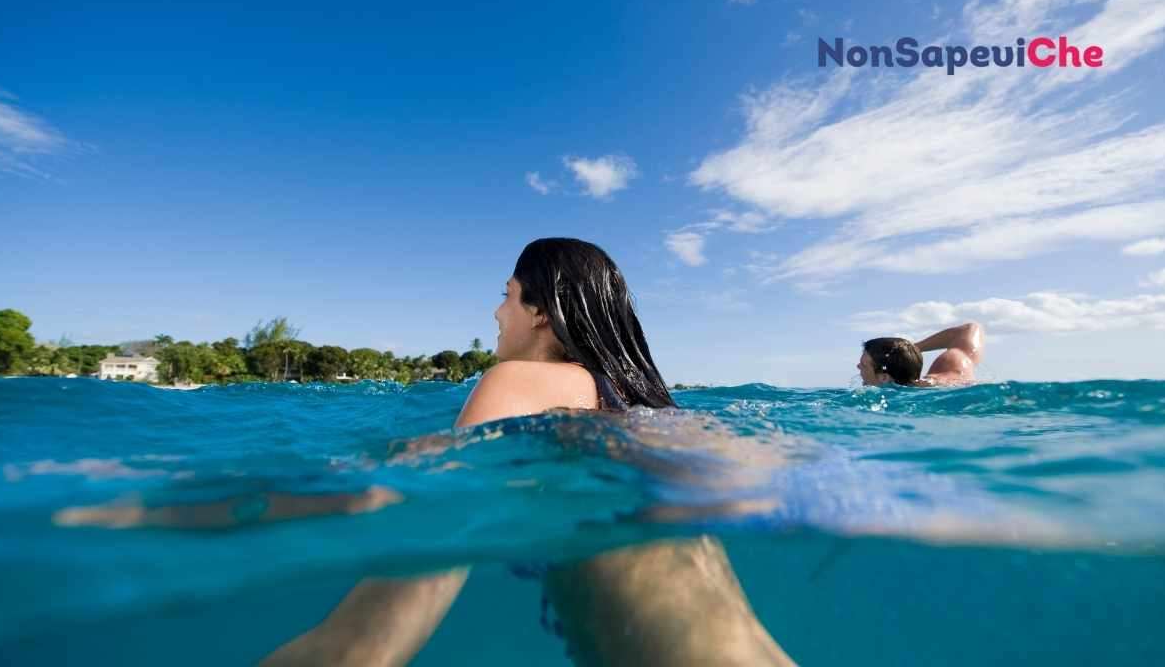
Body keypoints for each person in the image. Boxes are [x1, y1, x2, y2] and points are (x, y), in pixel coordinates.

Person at [260, 238, 795, 666]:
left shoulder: (517, 382)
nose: (497, 312)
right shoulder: (633, 403)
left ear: (540, 312)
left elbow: (370, 641)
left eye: (507, 294)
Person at [857, 322, 985, 387]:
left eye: (863, 365)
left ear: (884, 378)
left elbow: (970, 328)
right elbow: (969, 329)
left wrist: (905, 350)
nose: (858, 366)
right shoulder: (949, 369)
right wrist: (905, 350)